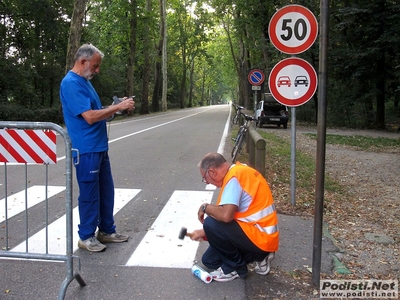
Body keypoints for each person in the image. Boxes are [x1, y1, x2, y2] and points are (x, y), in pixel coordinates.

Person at [60, 44, 135, 252]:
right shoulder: (71, 83)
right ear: (83, 62)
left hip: (99, 147)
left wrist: (113, 109)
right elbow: (90, 117)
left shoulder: (84, 81)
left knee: (106, 191)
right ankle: (86, 236)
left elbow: (96, 110)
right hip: (86, 148)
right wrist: (117, 107)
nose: (97, 70)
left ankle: (107, 230)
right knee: (89, 194)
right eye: (95, 65)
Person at [191, 152, 279, 282]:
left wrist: (205, 207)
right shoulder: (238, 172)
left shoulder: (234, 178)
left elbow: (226, 216)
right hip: (259, 233)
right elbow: (234, 219)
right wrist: (204, 233)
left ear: (212, 172)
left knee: (209, 222)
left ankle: (235, 268)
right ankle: (260, 256)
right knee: (209, 260)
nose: (207, 183)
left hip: (260, 236)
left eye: (205, 178)